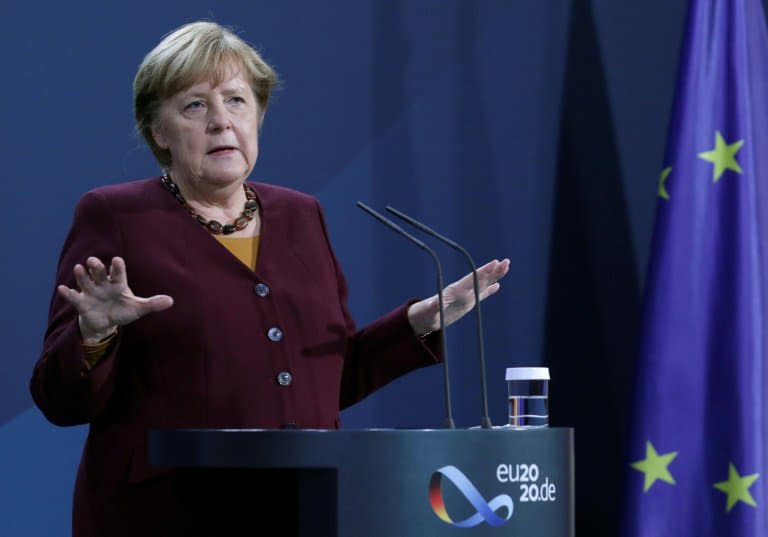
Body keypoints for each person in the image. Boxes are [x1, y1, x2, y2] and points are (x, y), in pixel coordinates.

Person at [30, 21, 510, 537]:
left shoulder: (302, 216)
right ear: (157, 130)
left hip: (302, 507)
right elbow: (60, 400)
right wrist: (94, 336)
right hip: (167, 514)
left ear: (258, 116)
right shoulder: (117, 216)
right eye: (195, 105)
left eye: (236, 101)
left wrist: (418, 323)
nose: (221, 122)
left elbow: (326, 381)